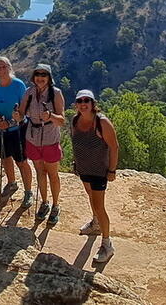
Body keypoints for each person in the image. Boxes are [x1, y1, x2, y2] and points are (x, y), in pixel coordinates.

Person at [70, 89, 119, 263]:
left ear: (93, 103)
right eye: (80, 101)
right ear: (76, 104)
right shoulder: (75, 120)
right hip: (84, 169)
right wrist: (75, 163)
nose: (83, 104)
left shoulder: (102, 122)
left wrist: (112, 170)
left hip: (99, 171)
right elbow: (76, 143)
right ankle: (95, 223)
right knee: (91, 197)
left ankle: (107, 244)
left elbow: (114, 147)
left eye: (87, 100)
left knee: (99, 205)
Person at [15, 63, 65, 225]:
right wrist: (16, 115)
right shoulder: (29, 93)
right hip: (33, 137)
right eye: (38, 75)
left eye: (44, 75)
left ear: (49, 78)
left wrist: (50, 116)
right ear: (33, 77)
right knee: (40, 171)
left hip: (50, 138)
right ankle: (45, 202)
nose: (40, 78)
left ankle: (56, 205)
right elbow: (21, 113)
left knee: (52, 174)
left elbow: (62, 120)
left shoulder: (56, 93)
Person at [0, 57, 34, 208]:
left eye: (4, 67)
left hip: (17, 130)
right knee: (5, 156)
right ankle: (12, 183)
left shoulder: (18, 85)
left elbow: (25, 110)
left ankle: (28, 192)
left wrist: (10, 123)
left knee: (21, 161)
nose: (1, 70)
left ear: (10, 68)